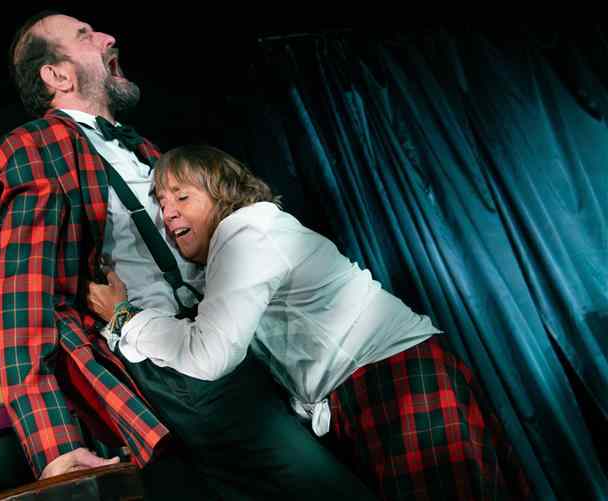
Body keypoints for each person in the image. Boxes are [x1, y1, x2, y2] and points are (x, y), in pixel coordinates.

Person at [0, 10, 373, 500]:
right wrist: (53, 445)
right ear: (58, 76)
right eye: (85, 35)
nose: (107, 36)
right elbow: (20, 301)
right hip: (173, 370)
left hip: (228, 347)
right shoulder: (34, 146)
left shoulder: (145, 150)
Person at [87, 145, 532, 501]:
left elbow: (210, 354)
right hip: (370, 388)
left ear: (222, 192)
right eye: (162, 204)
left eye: (182, 197)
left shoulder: (246, 234)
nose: (168, 215)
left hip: (398, 381)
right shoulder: (241, 245)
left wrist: (125, 317)